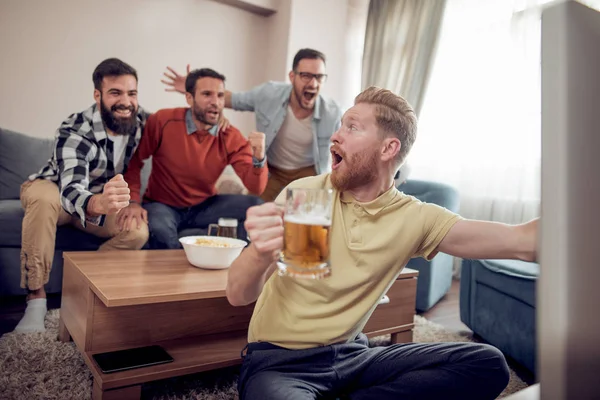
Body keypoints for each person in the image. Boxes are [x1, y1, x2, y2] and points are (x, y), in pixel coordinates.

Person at [226, 86, 539, 399]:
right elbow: (238, 295)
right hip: (281, 363)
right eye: (340, 125)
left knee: (486, 364)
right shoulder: (308, 196)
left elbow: (521, 242)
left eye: (352, 127)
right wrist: (259, 254)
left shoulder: (413, 217)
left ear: (388, 149)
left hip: (353, 357)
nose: (336, 136)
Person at [16, 58, 149, 333]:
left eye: (132, 93)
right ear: (97, 95)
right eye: (115, 93)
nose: (125, 101)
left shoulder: (141, 122)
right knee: (43, 199)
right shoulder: (77, 127)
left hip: (94, 206)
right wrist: (98, 201)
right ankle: (36, 300)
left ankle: (82, 288)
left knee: (137, 232)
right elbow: (72, 186)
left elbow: (177, 128)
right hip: (55, 189)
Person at [161, 48, 344, 202]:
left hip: (308, 174)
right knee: (253, 214)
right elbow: (231, 99)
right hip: (273, 171)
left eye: (319, 77)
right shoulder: (268, 94)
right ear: (292, 76)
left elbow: (341, 152)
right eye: (305, 76)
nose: (313, 83)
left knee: (306, 224)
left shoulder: (333, 112)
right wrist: (194, 88)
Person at [120, 68, 268, 249]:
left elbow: (256, 187)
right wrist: (133, 201)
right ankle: (172, 276)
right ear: (189, 98)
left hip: (204, 206)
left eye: (220, 96)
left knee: (257, 208)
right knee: (161, 233)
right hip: (162, 205)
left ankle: (236, 268)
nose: (215, 102)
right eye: (207, 94)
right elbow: (134, 163)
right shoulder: (163, 121)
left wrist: (259, 156)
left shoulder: (230, 136)